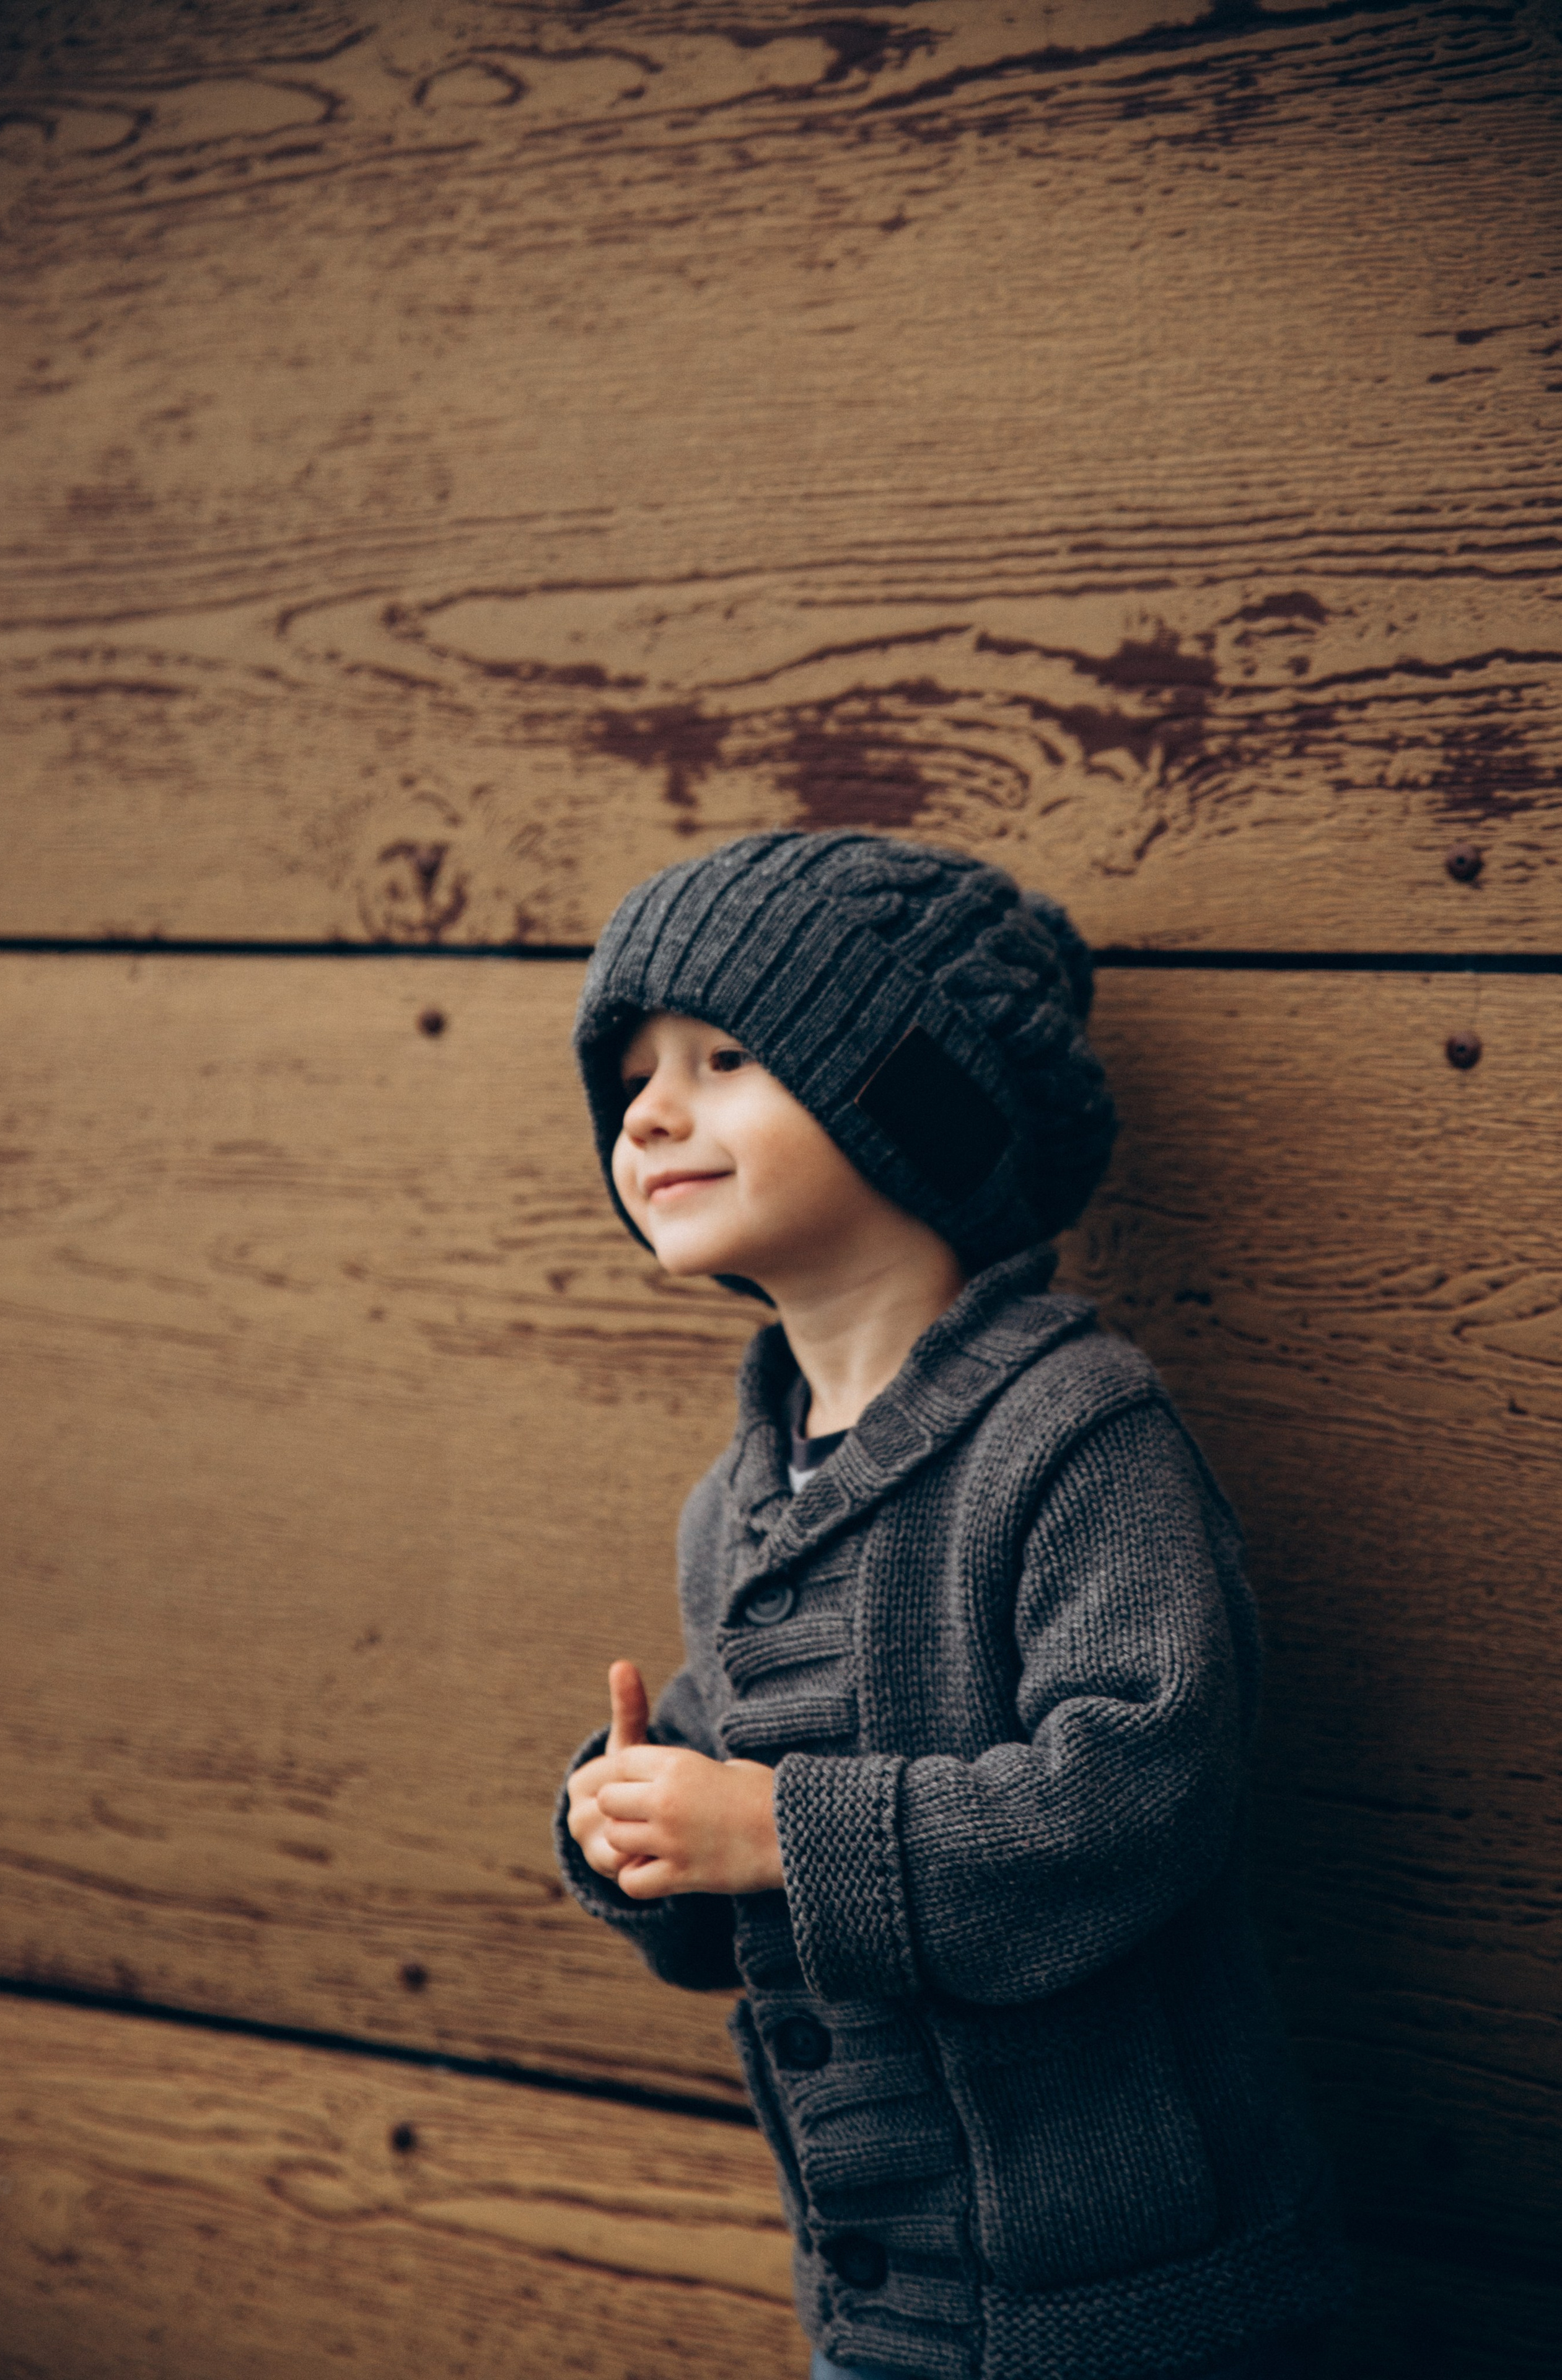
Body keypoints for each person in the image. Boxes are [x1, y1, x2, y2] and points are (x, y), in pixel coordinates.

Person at [554, 830, 1350, 2380]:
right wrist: (642, 1834)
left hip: (1129, 2306)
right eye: (632, 1076)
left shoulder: (1071, 1434)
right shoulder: (740, 1500)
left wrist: (770, 1829)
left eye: (724, 1058)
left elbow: (1141, 1793)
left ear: (905, 1107)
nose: (652, 1112)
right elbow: (741, 1913)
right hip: (885, 2299)